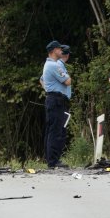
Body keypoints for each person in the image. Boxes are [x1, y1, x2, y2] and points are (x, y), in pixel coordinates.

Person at [42, 40, 71, 169]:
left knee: (52, 130)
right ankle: (53, 161)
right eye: (59, 49)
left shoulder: (50, 64)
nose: (61, 51)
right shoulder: (54, 66)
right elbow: (68, 81)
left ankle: (51, 159)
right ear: (53, 51)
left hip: (54, 99)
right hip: (56, 100)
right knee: (56, 130)